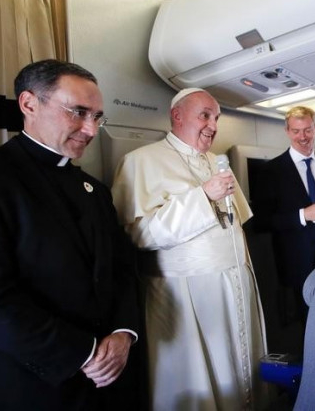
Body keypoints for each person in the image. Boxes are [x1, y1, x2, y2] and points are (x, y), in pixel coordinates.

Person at [0, 60, 141, 410]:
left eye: (97, 117)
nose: (90, 129)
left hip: (105, 383)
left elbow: (122, 268)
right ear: (29, 104)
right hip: (23, 385)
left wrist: (124, 333)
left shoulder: (96, 191)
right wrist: (84, 352)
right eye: (78, 112)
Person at [111, 88, 268, 410]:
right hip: (185, 293)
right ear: (177, 116)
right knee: (198, 378)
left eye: (217, 118)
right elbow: (138, 235)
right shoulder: (140, 161)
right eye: (205, 115)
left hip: (236, 284)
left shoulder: (217, 162)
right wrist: (203, 196)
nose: (213, 125)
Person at [256, 106, 315, 330]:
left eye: (307, 130)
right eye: (296, 131)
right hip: (297, 261)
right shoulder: (271, 171)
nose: (302, 137)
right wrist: (303, 215)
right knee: (307, 325)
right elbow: (262, 221)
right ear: (287, 131)